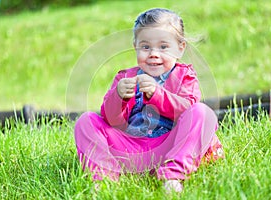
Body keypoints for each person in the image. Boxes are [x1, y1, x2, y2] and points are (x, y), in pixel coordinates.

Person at [74, 8, 224, 193]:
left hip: (170, 146)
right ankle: (104, 179)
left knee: (202, 113)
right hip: (132, 150)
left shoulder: (184, 76)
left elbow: (187, 108)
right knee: (86, 121)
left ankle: (173, 175)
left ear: (180, 48)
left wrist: (157, 94)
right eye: (146, 47)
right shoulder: (125, 78)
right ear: (135, 46)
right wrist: (118, 96)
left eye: (163, 47)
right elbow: (111, 119)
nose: (153, 53)